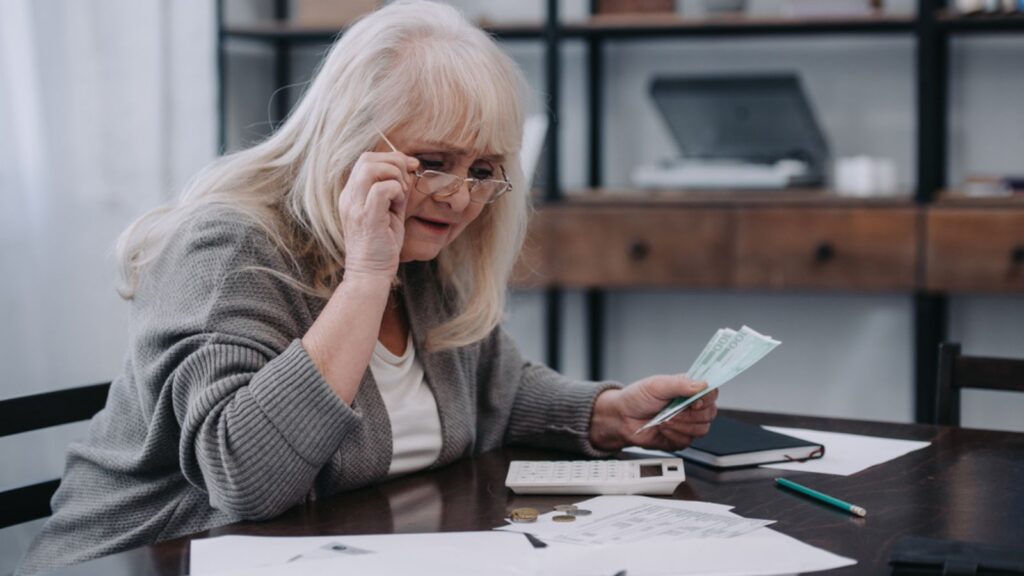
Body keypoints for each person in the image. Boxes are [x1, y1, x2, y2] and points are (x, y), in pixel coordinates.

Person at [17, 2, 717, 574]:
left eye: (483, 169)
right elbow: (245, 480)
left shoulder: (426, 247)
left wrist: (606, 413)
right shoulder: (229, 247)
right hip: (139, 563)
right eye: (433, 161)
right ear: (349, 139)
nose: (460, 197)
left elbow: (493, 387)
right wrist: (366, 274)